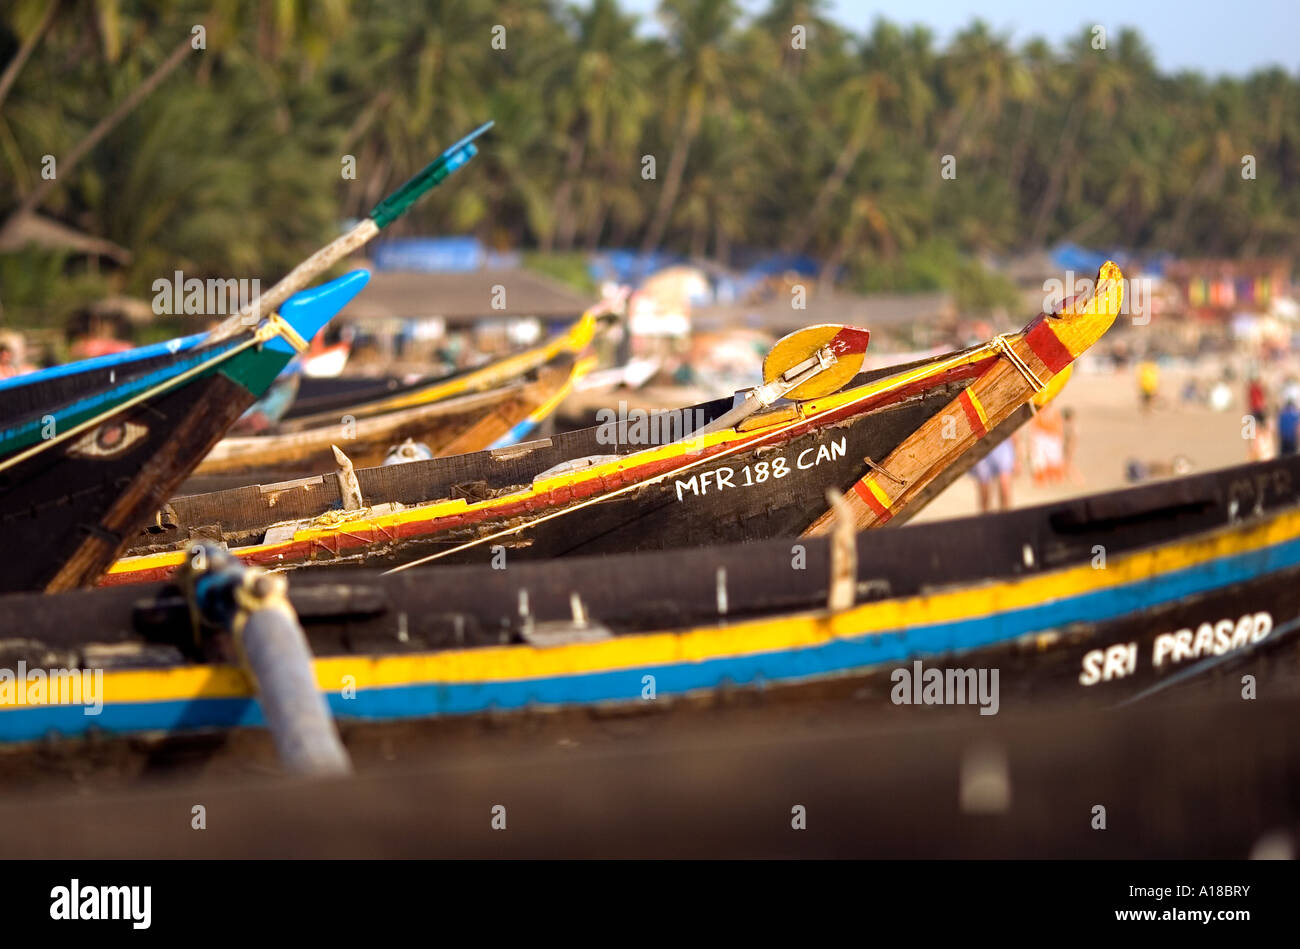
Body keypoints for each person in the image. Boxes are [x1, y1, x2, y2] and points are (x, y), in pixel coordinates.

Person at [971, 434, 1018, 512]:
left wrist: (1016, 457)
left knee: (1005, 486)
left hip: (1003, 443)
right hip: (983, 444)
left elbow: (1014, 426)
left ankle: (1006, 519)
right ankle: (985, 520)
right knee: (985, 493)